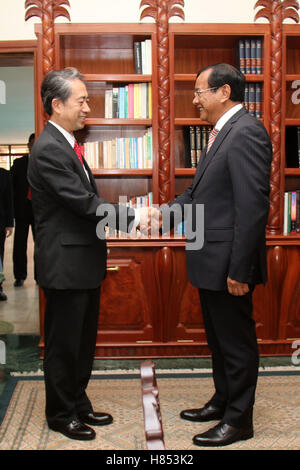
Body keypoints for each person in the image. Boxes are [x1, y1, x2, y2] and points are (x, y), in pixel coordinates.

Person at [27, 67, 151, 441]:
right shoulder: (49, 148)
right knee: (64, 346)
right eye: (81, 100)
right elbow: (83, 203)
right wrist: (134, 215)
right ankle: (60, 415)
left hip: (81, 262)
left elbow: (84, 204)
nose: (87, 106)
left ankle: (78, 403)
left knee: (81, 342)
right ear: (57, 103)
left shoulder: (66, 143)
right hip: (65, 265)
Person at [160, 63, 272, 446]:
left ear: (224, 92)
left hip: (229, 265)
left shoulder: (246, 133)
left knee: (236, 344)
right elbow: (195, 196)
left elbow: (252, 207)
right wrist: (157, 217)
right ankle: (223, 401)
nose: (195, 100)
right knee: (220, 341)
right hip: (209, 260)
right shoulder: (220, 135)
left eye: (199, 92)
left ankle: (239, 420)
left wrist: (240, 269)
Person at [11, 133, 35, 287]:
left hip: (40, 210)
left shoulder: (45, 163)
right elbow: (11, 189)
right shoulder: (18, 163)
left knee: (41, 244)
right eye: (32, 143)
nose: (34, 146)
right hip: (22, 209)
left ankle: (41, 276)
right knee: (20, 244)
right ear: (28, 145)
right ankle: (19, 276)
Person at [0, 168, 14, 301]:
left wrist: (9, 223)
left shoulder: (4, 175)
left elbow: (8, 200)